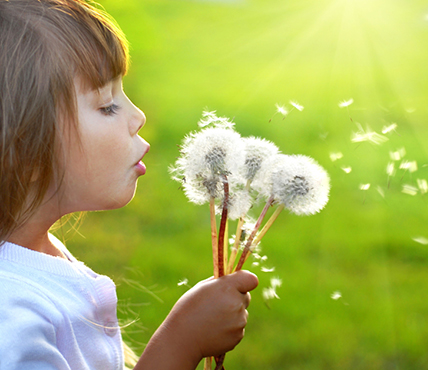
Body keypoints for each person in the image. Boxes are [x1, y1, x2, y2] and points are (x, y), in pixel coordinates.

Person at [0, 0, 259, 369]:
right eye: (106, 105)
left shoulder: (35, 251)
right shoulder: (10, 322)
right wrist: (181, 341)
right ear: (24, 151)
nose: (138, 116)